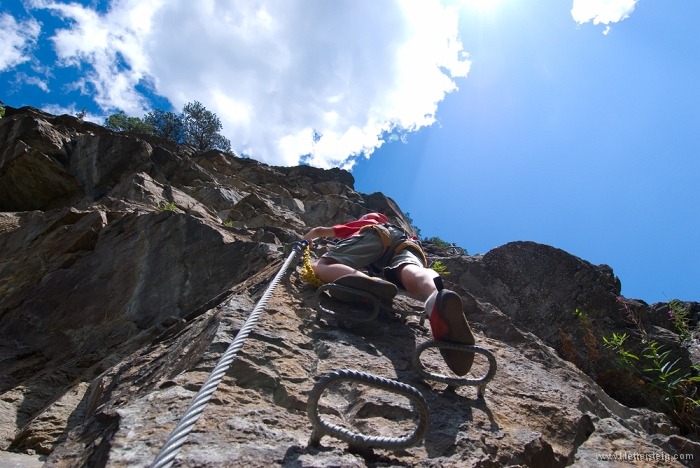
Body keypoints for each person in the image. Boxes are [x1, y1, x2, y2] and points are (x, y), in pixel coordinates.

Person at [303, 212, 476, 376]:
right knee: (412, 273)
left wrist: (307, 238)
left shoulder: (367, 223)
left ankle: (370, 282)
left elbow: (320, 231)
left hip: (377, 235)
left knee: (322, 265)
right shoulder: (402, 232)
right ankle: (435, 295)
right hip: (408, 244)